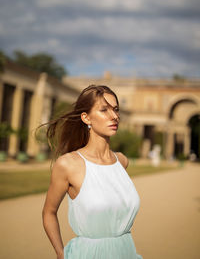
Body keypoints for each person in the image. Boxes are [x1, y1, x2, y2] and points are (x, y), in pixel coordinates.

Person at [41, 84, 143, 259]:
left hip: (126, 252)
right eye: (104, 110)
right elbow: (49, 212)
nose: (114, 116)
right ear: (86, 118)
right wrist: (60, 253)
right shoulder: (68, 164)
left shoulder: (122, 161)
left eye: (116, 110)